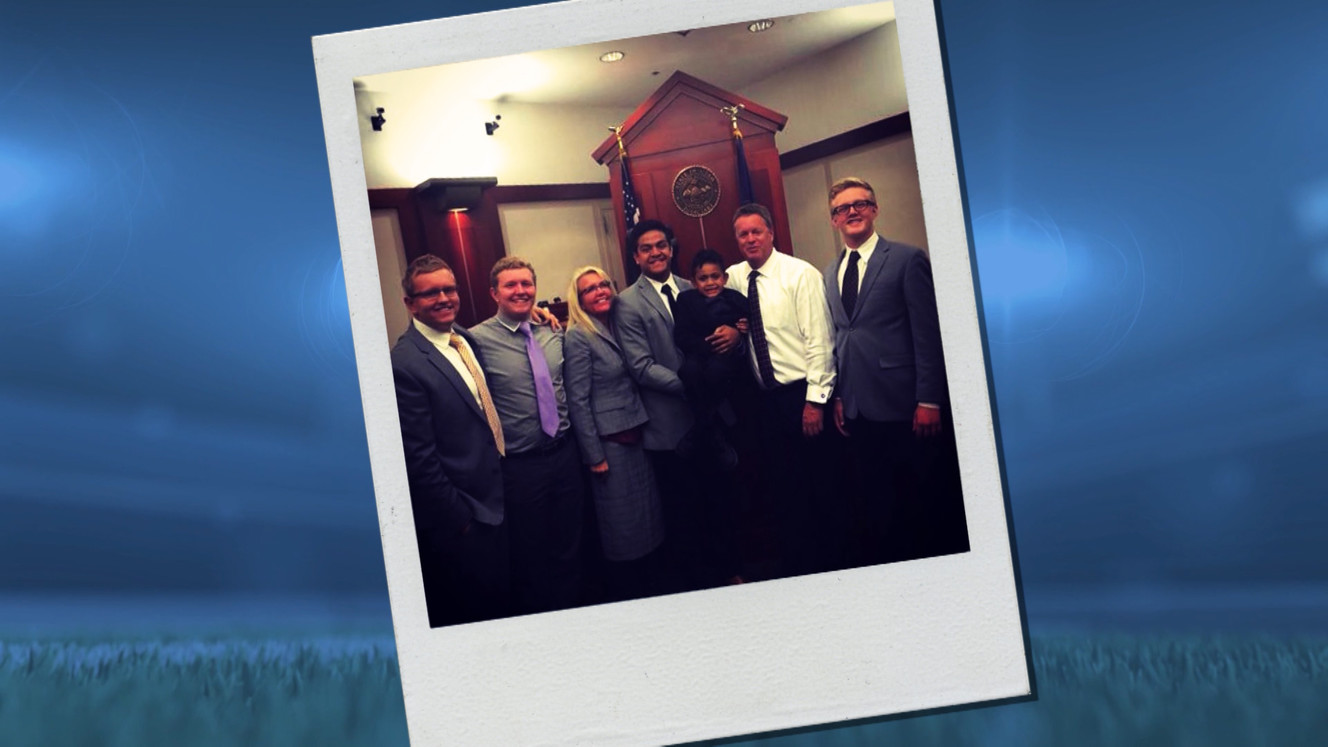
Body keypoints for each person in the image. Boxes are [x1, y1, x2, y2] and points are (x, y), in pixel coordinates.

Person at [823, 177, 968, 564]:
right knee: (876, 502)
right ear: (833, 219)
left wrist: (929, 399)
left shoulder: (907, 258)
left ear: (874, 209)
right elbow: (841, 336)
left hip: (905, 404)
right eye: (842, 208)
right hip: (856, 409)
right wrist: (839, 395)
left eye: (860, 204)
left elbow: (927, 334)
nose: (851, 212)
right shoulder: (829, 271)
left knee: (919, 503)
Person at [615, 220, 743, 589]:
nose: (655, 252)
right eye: (646, 248)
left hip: (713, 421)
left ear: (671, 249)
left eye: (661, 245)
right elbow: (641, 367)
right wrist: (693, 386)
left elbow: (729, 328)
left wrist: (735, 335)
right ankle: (697, 589)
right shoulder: (627, 302)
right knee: (685, 512)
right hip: (671, 426)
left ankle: (730, 572)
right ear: (636, 256)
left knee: (720, 501)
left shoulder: (695, 286)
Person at [390, 254, 511, 627]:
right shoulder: (405, 363)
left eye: (449, 289)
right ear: (410, 303)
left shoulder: (463, 339)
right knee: (479, 614)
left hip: (499, 500)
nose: (444, 298)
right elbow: (418, 460)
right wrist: (461, 520)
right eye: (430, 294)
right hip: (465, 519)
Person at [725, 203, 843, 577]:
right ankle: (798, 568)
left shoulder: (799, 274)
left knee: (819, 486)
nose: (750, 239)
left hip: (802, 397)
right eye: (743, 234)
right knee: (782, 490)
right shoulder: (733, 278)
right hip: (764, 404)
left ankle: (834, 566)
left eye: (756, 231)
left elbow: (820, 341)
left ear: (771, 233)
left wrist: (815, 402)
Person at [469, 256, 585, 615]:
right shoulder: (475, 341)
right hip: (521, 466)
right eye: (511, 285)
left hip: (566, 455)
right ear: (494, 293)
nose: (521, 291)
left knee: (572, 542)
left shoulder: (552, 331)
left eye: (526, 284)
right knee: (531, 551)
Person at [563, 266, 667, 601]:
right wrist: (594, 456)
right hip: (609, 446)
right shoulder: (579, 334)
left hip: (636, 433)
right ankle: (629, 596)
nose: (599, 292)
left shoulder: (614, 324)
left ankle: (653, 590)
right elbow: (577, 400)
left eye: (603, 285)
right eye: (589, 289)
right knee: (621, 528)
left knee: (646, 519)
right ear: (578, 300)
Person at [673, 249, 750, 458]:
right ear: (693, 281)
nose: (710, 283)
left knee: (717, 371)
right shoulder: (686, 300)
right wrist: (709, 344)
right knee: (688, 372)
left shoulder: (735, 298)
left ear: (724, 278)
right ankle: (713, 422)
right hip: (699, 352)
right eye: (703, 278)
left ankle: (701, 428)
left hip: (727, 357)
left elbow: (750, 321)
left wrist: (743, 328)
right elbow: (681, 335)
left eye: (715, 276)